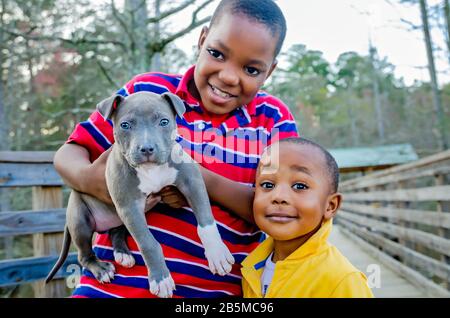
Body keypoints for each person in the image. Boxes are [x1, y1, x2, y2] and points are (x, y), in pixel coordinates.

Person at [54, 0, 299, 298]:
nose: (228, 76)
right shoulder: (146, 92)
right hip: (114, 289)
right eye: (216, 54)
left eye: (251, 69)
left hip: (215, 292)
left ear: (269, 71)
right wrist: (91, 180)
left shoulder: (272, 121)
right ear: (202, 39)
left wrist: (197, 179)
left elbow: (279, 207)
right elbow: (68, 153)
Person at [241, 137, 374, 298]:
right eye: (268, 185)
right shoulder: (252, 266)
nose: (279, 196)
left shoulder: (340, 280)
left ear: (330, 206)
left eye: (300, 186)